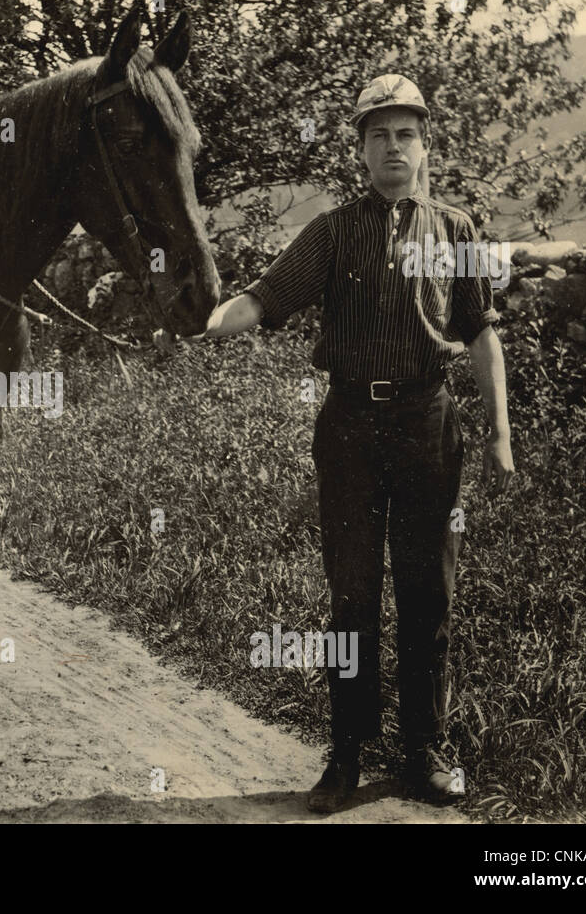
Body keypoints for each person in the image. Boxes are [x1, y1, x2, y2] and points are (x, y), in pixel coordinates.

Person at [156, 74, 515, 812]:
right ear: (359, 150)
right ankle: (347, 753)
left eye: (405, 133)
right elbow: (263, 298)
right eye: (378, 134)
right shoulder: (332, 231)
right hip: (349, 427)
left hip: (429, 424)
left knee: (428, 592)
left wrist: (500, 434)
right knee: (351, 595)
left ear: (425, 145)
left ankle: (425, 751)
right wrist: (205, 323)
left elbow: (480, 334)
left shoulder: (458, 230)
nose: (393, 146)